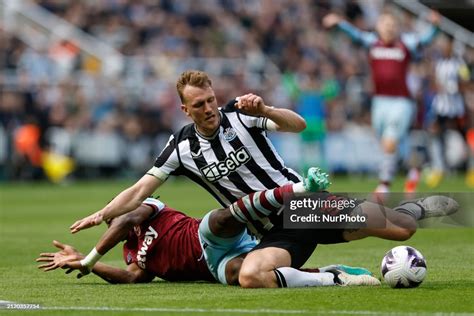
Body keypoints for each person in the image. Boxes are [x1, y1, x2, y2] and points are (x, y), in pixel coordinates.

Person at [68, 70, 457, 289]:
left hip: (305, 206)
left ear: (214, 95)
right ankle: (337, 277)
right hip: (269, 230)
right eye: (198, 105)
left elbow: (298, 124)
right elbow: (139, 190)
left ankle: (416, 207)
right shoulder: (181, 148)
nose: (208, 109)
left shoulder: (241, 114)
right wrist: (101, 213)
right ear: (185, 109)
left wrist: (266, 107)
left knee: (402, 231)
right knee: (252, 276)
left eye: (210, 100)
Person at [38, 179, 381, 287]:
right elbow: (131, 278)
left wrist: (89, 256)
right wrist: (86, 264)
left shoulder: (148, 210)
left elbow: (124, 222)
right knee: (245, 277)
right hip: (216, 267)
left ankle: (290, 190)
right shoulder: (132, 255)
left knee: (218, 219)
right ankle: (331, 276)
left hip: (208, 237)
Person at [323, 9, 441, 193]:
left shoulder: (405, 44)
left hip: (401, 101)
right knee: (390, 144)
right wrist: (339, 23)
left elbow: (425, 40)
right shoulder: (372, 43)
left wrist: (435, 26)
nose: (389, 28)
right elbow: (354, 34)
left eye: (393, 25)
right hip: (379, 101)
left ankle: (383, 185)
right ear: (378, 27)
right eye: (386, 24)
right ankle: (414, 168)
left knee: (390, 141)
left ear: (398, 28)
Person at [425, 35, 470, 188]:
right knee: (435, 133)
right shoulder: (438, 64)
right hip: (442, 107)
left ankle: (472, 170)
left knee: (467, 136)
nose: (444, 48)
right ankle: (438, 168)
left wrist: (454, 88)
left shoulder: (460, 64)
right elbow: (432, 84)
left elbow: (467, 83)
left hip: (457, 107)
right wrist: (437, 86)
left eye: (447, 45)